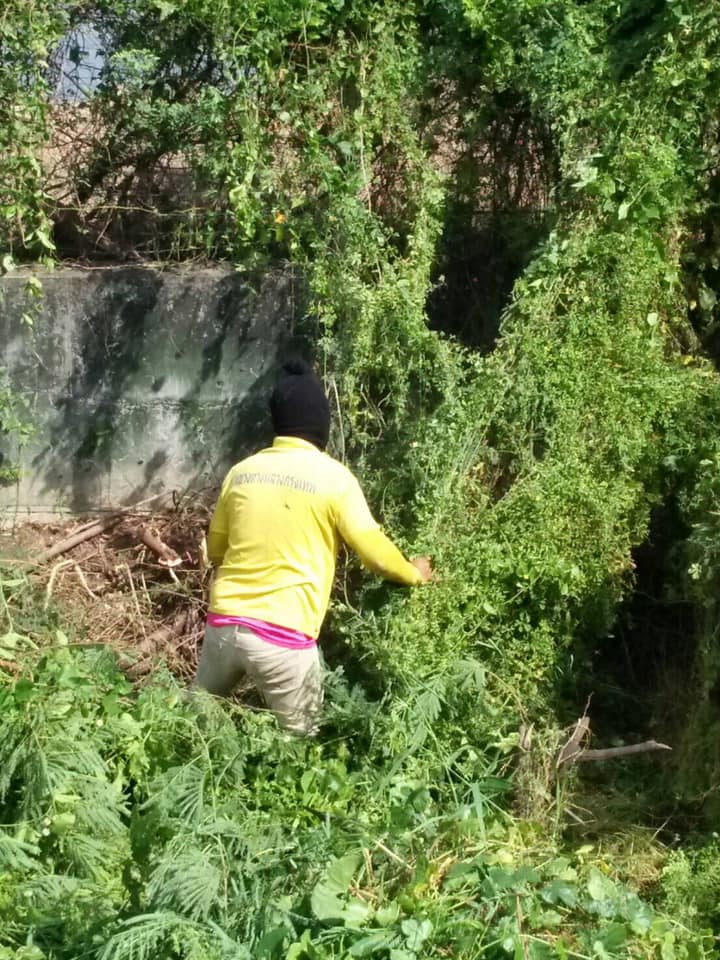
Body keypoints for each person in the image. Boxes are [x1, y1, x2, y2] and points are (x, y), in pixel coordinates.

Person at [193, 358, 434, 735]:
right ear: (321, 424)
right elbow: (376, 555)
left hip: (223, 626)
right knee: (300, 749)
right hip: (283, 640)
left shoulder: (240, 473)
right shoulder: (335, 479)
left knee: (195, 727)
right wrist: (413, 573)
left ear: (278, 422)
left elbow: (216, 549)